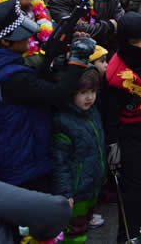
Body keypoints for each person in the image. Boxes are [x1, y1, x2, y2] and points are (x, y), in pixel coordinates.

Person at [0, 0, 93, 206]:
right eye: (22, 35)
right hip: (23, 165)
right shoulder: (12, 77)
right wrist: (78, 60)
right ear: (5, 41)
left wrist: (55, 58)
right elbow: (58, 94)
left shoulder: (9, 66)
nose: (29, 39)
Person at [104, 13, 141, 243]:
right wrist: (113, 143)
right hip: (128, 136)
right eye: (134, 42)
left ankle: (139, 230)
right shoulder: (115, 72)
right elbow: (109, 113)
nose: (140, 46)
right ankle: (126, 237)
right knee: (131, 190)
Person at [50, 67, 105, 244]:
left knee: (83, 226)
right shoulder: (63, 122)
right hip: (76, 190)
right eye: (83, 93)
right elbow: (60, 163)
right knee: (74, 233)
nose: (89, 97)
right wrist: (66, 194)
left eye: (93, 92)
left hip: (92, 185)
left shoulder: (92, 112)